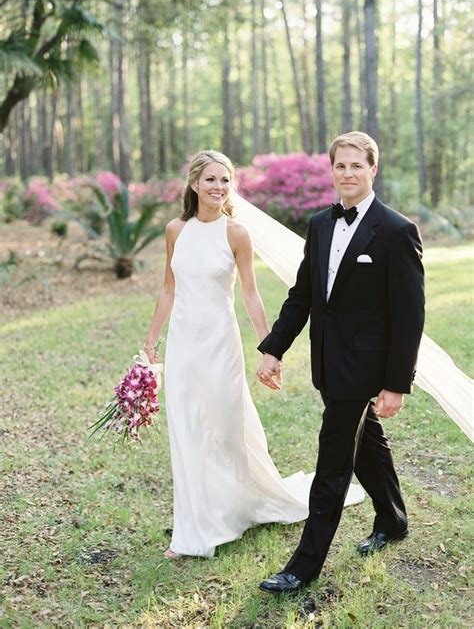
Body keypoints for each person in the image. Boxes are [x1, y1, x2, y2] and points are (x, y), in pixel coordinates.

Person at [142, 150, 364, 559]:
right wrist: (152, 340)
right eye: (210, 179)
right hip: (184, 346)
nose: (218, 187)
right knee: (188, 430)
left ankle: (240, 505)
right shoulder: (176, 230)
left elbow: (249, 292)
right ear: (194, 184)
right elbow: (168, 288)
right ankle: (195, 528)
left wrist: (270, 348)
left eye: (225, 180)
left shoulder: (235, 233)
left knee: (226, 430)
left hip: (220, 344)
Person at [257, 131, 425, 593]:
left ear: (373, 169)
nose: (347, 174)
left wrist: (396, 383)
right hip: (327, 362)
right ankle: (392, 520)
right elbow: (304, 294)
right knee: (366, 441)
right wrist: (274, 347)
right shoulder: (320, 225)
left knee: (332, 464)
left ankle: (303, 566)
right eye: (340, 166)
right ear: (331, 170)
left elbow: (410, 317)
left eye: (356, 165)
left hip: (366, 369)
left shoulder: (395, 231)